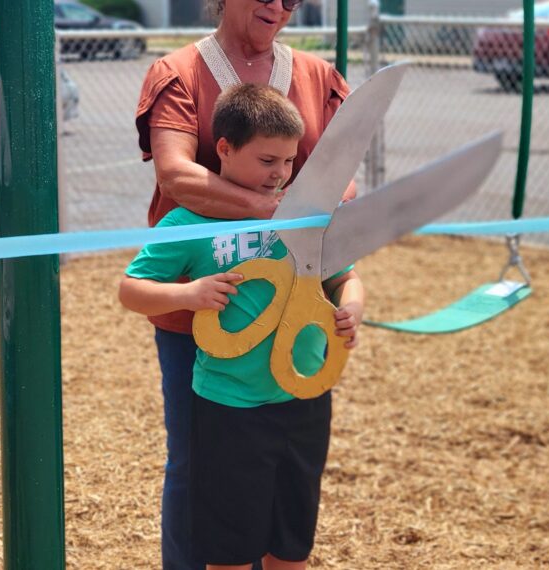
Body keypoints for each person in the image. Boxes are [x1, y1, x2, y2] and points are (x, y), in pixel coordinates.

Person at [133, 1, 359, 567]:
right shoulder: (181, 73)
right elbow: (177, 174)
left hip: (291, 316)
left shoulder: (316, 76)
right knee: (197, 466)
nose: (278, 7)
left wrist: (315, 225)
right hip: (202, 317)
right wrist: (273, 211)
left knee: (286, 481)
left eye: (292, 0)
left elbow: (343, 184)